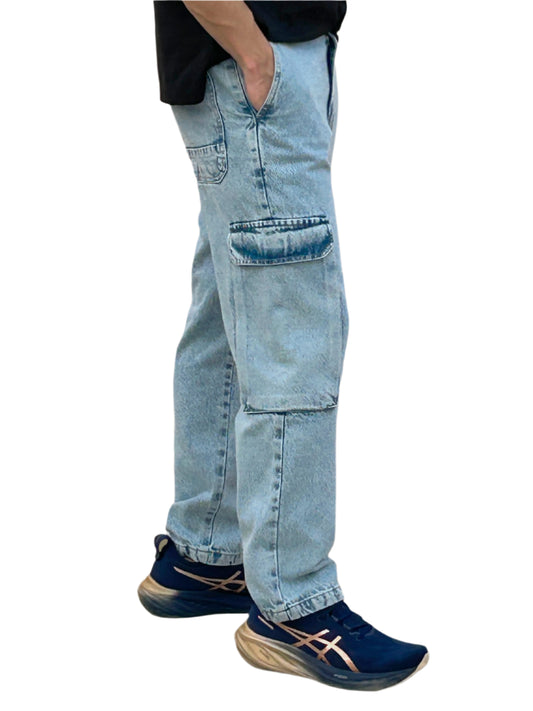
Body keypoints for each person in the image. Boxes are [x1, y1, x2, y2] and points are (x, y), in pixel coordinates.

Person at [138, 1, 429, 690]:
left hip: (260, 64)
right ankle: (294, 604)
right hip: (252, 65)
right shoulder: (255, 61)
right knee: (295, 336)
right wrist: (254, 55)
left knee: (229, 316)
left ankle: (206, 552)